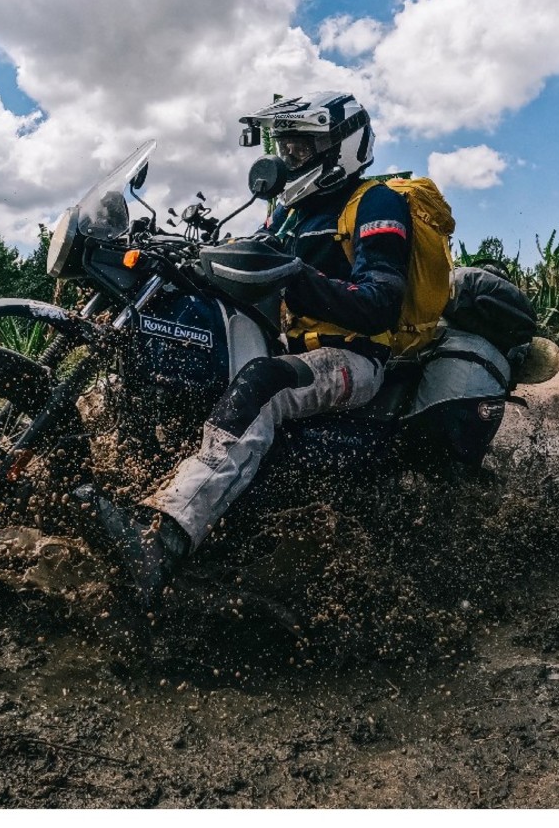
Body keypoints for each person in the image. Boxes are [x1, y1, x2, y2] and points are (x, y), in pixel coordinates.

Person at [74, 91, 412, 614]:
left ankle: (162, 542)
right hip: (288, 347)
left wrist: (298, 276)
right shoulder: (286, 210)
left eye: (304, 144)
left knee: (262, 386)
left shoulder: (376, 202)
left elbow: (380, 303)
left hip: (351, 359)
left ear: (341, 146)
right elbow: (250, 258)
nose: (289, 156)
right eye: (286, 144)